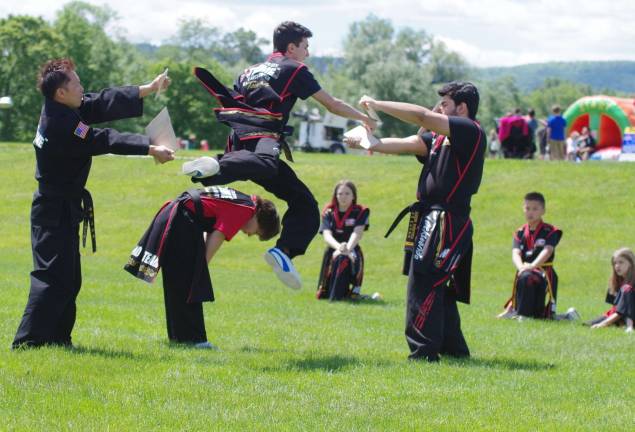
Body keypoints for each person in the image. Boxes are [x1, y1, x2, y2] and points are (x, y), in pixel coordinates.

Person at [182, 21, 376, 290]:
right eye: (305, 47)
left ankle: (283, 252)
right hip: (262, 139)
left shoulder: (247, 71)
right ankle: (217, 164)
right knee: (265, 164)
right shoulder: (295, 70)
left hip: (237, 141)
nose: (307, 53)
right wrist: (364, 118)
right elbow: (331, 104)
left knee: (305, 203)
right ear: (291, 47)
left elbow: (233, 103)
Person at [12, 58, 175, 349]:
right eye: (76, 84)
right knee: (50, 276)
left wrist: (148, 89)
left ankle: (58, 339)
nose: (82, 88)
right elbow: (103, 140)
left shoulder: (63, 107)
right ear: (61, 93)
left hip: (63, 205)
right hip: (52, 208)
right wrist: (149, 147)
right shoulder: (60, 124)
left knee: (69, 277)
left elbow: (100, 102)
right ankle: (28, 342)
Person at [346, 81, 486, 362]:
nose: (438, 109)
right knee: (437, 282)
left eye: (444, 104)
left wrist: (377, 104)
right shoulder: (439, 139)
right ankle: (454, 349)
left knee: (424, 279)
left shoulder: (470, 131)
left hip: (446, 218)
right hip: (430, 216)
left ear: (462, 108)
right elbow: (409, 143)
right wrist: (367, 141)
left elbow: (422, 116)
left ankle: (423, 353)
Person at [124, 186, 280, 348]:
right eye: (256, 232)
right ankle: (196, 340)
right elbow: (218, 235)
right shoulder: (245, 210)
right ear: (260, 219)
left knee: (177, 282)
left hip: (176, 215)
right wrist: (200, 267)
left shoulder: (243, 200)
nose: (249, 234)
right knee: (190, 282)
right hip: (182, 220)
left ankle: (179, 338)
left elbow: (210, 226)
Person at [497, 192, 572, 320]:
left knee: (544, 316)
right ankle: (515, 310)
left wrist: (532, 265)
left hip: (544, 272)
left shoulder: (551, 231)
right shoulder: (519, 232)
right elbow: (515, 253)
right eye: (527, 208)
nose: (530, 212)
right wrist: (521, 267)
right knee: (525, 276)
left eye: (535, 209)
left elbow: (547, 251)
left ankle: (524, 315)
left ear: (543, 211)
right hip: (525, 271)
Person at [316, 180, 370, 301]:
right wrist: (339, 248)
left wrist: (347, 249)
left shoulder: (360, 211)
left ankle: (348, 292)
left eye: (347, 193)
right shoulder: (328, 212)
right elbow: (327, 235)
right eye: (340, 193)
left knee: (344, 260)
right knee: (323, 295)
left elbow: (357, 233)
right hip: (333, 250)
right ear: (335, 195)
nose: (343, 197)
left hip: (352, 249)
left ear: (353, 196)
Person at [585, 248, 635, 333]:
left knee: (626, 288)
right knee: (587, 325)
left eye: (621, 262)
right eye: (615, 263)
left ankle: (629, 326)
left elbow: (622, 311)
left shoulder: (629, 286)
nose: (617, 266)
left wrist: (603, 324)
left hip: (629, 316)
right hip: (618, 315)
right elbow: (616, 308)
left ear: (630, 263)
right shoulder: (618, 281)